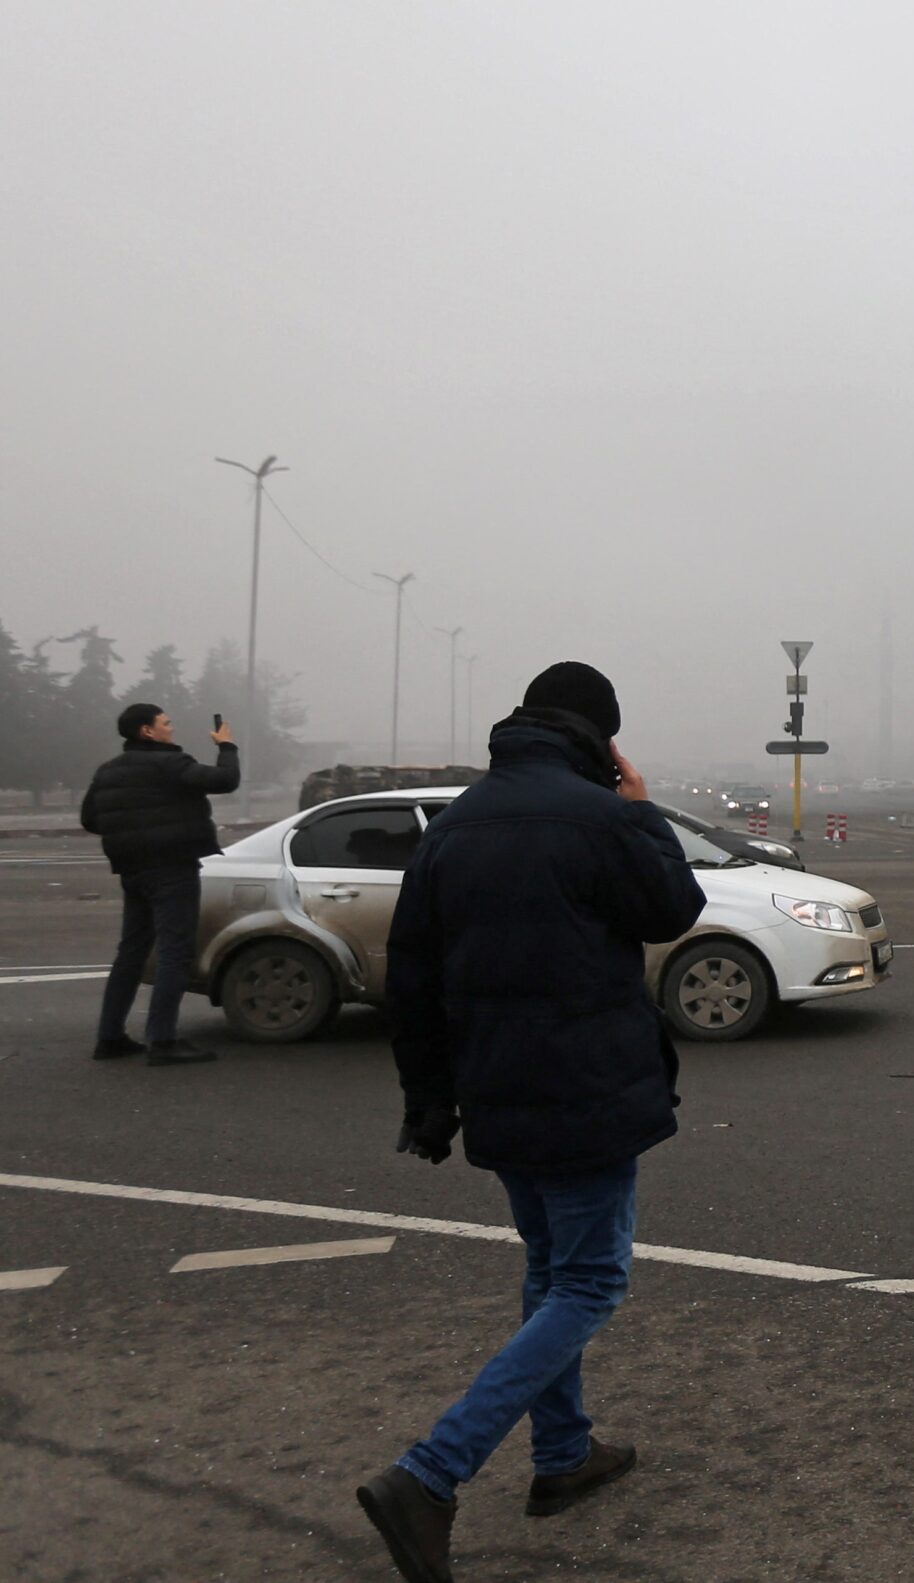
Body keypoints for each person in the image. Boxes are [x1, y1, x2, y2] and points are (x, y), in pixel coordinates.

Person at [358, 662, 706, 1583]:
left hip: (496, 1089)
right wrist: (640, 807)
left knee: (551, 1269)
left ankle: (563, 1455)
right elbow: (675, 907)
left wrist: (429, 1100)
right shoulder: (599, 819)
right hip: (587, 1090)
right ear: (601, 736)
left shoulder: (454, 825)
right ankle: (430, 1473)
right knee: (591, 1281)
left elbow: (413, 978)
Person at [80, 703, 238, 1065]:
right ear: (147, 731)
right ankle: (163, 1041)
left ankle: (110, 1037)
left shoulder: (108, 771)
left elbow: (91, 818)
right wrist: (226, 747)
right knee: (174, 952)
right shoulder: (170, 764)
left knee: (131, 953)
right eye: (165, 723)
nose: (171, 728)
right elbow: (225, 781)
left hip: (133, 871)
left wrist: (134, 828)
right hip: (171, 869)